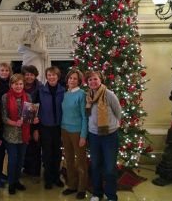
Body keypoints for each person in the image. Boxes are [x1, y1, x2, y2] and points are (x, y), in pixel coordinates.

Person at [85, 71, 121, 201]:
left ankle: (111, 195)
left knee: (110, 167)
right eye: (90, 80)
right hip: (93, 135)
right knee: (95, 165)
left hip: (109, 136)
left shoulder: (109, 94)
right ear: (87, 82)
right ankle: (97, 193)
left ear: (100, 80)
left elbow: (118, 112)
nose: (92, 82)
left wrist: (113, 126)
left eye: (95, 79)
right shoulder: (88, 96)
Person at [1, 74, 39, 195]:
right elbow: (3, 117)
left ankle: (17, 181)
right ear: (11, 84)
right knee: (13, 160)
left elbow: (29, 116)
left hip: (24, 134)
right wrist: (14, 123)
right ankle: (11, 183)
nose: (18, 86)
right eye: (16, 84)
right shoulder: (5, 97)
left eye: (21, 84)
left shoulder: (28, 96)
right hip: (11, 135)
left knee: (21, 160)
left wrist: (33, 119)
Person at [35, 66, 65, 189]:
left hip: (59, 127)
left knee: (57, 154)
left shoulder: (64, 91)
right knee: (47, 154)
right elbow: (35, 110)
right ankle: (47, 178)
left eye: (54, 75)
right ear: (46, 77)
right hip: (45, 127)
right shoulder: (40, 90)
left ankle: (56, 177)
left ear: (58, 77)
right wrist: (36, 128)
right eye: (49, 75)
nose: (51, 77)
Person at [61, 69, 88, 199]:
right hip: (64, 130)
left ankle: (82, 188)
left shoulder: (82, 94)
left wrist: (83, 135)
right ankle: (72, 185)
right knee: (69, 160)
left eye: (75, 79)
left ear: (79, 81)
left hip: (77, 132)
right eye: (70, 78)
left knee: (81, 161)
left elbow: (85, 117)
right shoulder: (66, 94)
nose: (72, 80)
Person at [21, 65, 43, 182]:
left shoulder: (40, 88)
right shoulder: (19, 86)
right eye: (27, 74)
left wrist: (36, 128)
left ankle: (35, 173)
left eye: (31, 74)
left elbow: (42, 107)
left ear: (35, 76)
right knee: (24, 147)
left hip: (35, 122)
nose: (29, 77)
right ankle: (26, 169)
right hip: (21, 122)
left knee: (35, 147)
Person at [0, 62, 12, 187]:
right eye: (2, 70)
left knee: (6, 151)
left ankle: (1, 173)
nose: (4, 72)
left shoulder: (11, 85)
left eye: (6, 70)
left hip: (9, 121)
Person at [18, 15, 50, 82]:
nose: (33, 23)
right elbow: (20, 47)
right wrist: (32, 47)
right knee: (26, 76)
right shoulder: (26, 34)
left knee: (37, 77)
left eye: (34, 21)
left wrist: (28, 46)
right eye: (31, 21)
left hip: (37, 59)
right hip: (27, 57)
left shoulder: (41, 35)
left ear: (37, 23)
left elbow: (42, 49)